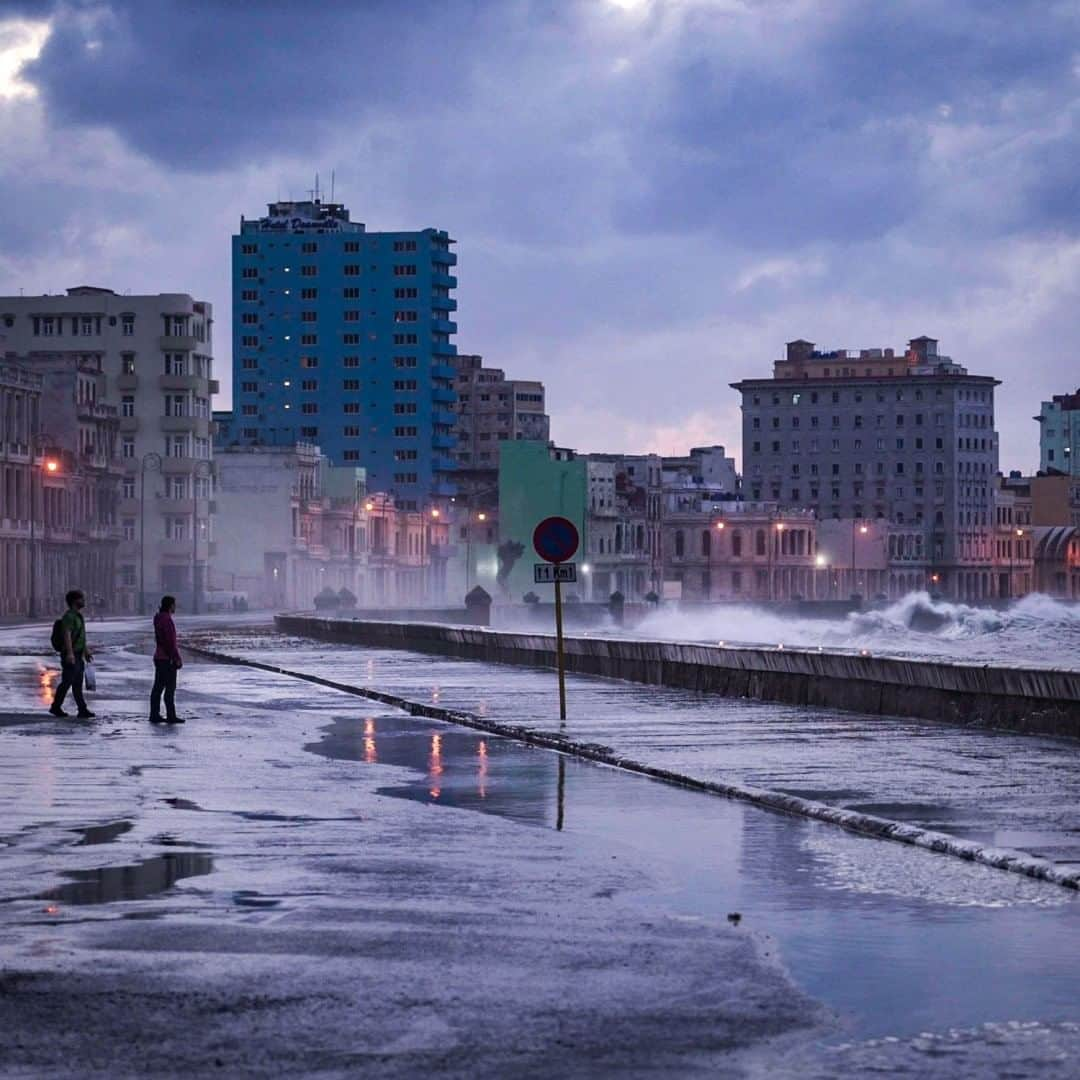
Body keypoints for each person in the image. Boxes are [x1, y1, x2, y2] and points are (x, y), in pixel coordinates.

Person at [50, 589, 95, 719]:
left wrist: (85, 651)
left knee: (77, 683)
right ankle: (55, 706)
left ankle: (82, 709)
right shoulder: (69, 617)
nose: (84, 601)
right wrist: (69, 654)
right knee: (67, 682)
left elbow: (80, 636)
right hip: (71, 654)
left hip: (78, 654)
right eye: (82, 598)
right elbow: (67, 635)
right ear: (75, 601)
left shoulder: (78, 616)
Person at [150, 595, 184, 724]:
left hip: (159, 657)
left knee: (158, 687)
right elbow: (170, 642)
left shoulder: (159, 619)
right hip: (167, 658)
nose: (175, 607)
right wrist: (176, 658)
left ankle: (154, 714)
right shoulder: (167, 620)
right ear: (170, 606)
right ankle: (171, 715)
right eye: (174, 605)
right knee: (170, 688)